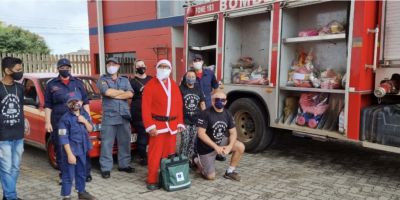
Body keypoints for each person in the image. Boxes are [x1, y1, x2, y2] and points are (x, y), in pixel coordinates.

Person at [44, 58, 93, 183]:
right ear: (58, 69)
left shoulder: (78, 83)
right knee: (61, 148)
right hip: (59, 122)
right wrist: (47, 122)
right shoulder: (51, 84)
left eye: (67, 67)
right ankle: (64, 174)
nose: (65, 69)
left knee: (82, 145)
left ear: (70, 68)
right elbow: (48, 105)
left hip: (77, 121)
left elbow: (86, 101)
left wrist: (88, 118)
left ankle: (85, 173)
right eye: (62, 67)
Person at [142, 59, 185, 190]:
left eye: (166, 67)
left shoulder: (174, 84)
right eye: (161, 66)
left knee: (169, 155)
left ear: (170, 69)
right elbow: (145, 108)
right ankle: (152, 179)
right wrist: (150, 126)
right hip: (157, 126)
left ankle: (166, 177)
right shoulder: (150, 85)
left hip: (171, 126)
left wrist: (180, 122)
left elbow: (179, 105)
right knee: (155, 155)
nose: (163, 68)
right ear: (157, 68)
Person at [194, 91, 245, 181]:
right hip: (206, 148)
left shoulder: (227, 113)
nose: (220, 102)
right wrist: (216, 147)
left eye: (223, 100)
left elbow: (233, 132)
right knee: (210, 176)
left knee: (240, 146)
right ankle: (196, 160)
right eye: (217, 99)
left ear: (225, 102)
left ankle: (229, 172)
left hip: (220, 142)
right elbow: (201, 134)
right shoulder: (205, 113)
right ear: (212, 101)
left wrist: (229, 147)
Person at [97, 57, 134, 179]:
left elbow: (130, 94)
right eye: (109, 64)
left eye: (114, 64)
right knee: (107, 144)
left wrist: (115, 94)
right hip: (109, 117)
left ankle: (124, 165)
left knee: (125, 142)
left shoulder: (124, 79)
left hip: (123, 116)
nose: (111, 66)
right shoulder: (102, 79)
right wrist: (122, 93)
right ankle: (106, 168)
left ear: (118, 66)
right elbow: (107, 93)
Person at [58, 92, 96, 200]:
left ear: (82, 102)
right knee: (68, 175)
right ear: (67, 104)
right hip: (70, 151)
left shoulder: (84, 114)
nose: (75, 104)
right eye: (71, 102)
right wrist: (70, 155)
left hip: (82, 150)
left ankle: (81, 192)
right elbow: (63, 138)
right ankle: (66, 196)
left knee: (81, 172)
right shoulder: (64, 119)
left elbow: (90, 129)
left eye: (77, 101)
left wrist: (84, 121)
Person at [192, 54, 226, 161]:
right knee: (198, 132)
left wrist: (212, 100)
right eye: (195, 60)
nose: (197, 62)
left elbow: (216, 88)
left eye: (199, 60)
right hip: (196, 108)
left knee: (211, 130)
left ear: (202, 62)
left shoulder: (210, 74)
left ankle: (214, 152)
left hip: (208, 106)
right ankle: (196, 153)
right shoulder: (190, 75)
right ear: (192, 63)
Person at [0, 57, 25, 200]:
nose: (20, 72)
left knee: (15, 167)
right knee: (6, 168)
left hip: (18, 134)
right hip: (3, 137)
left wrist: (24, 123)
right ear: (7, 70)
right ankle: (11, 196)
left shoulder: (20, 88)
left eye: (21, 69)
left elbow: (20, 108)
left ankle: (7, 195)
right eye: (17, 70)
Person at [179, 70, 206, 161]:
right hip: (184, 120)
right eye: (189, 77)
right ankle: (181, 159)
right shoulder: (181, 88)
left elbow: (202, 103)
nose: (191, 79)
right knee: (185, 140)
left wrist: (205, 116)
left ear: (195, 78)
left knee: (192, 141)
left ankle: (188, 159)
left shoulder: (198, 88)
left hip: (195, 120)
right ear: (185, 78)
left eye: (193, 77)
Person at [129, 60, 152, 166]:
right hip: (138, 112)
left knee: (151, 134)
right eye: (139, 66)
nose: (141, 67)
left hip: (152, 111)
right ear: (135, 68)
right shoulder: (132, 81)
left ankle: (151, 154)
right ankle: (143, 156)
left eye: (143, 65)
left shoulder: (152, 79)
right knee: (143, 133)